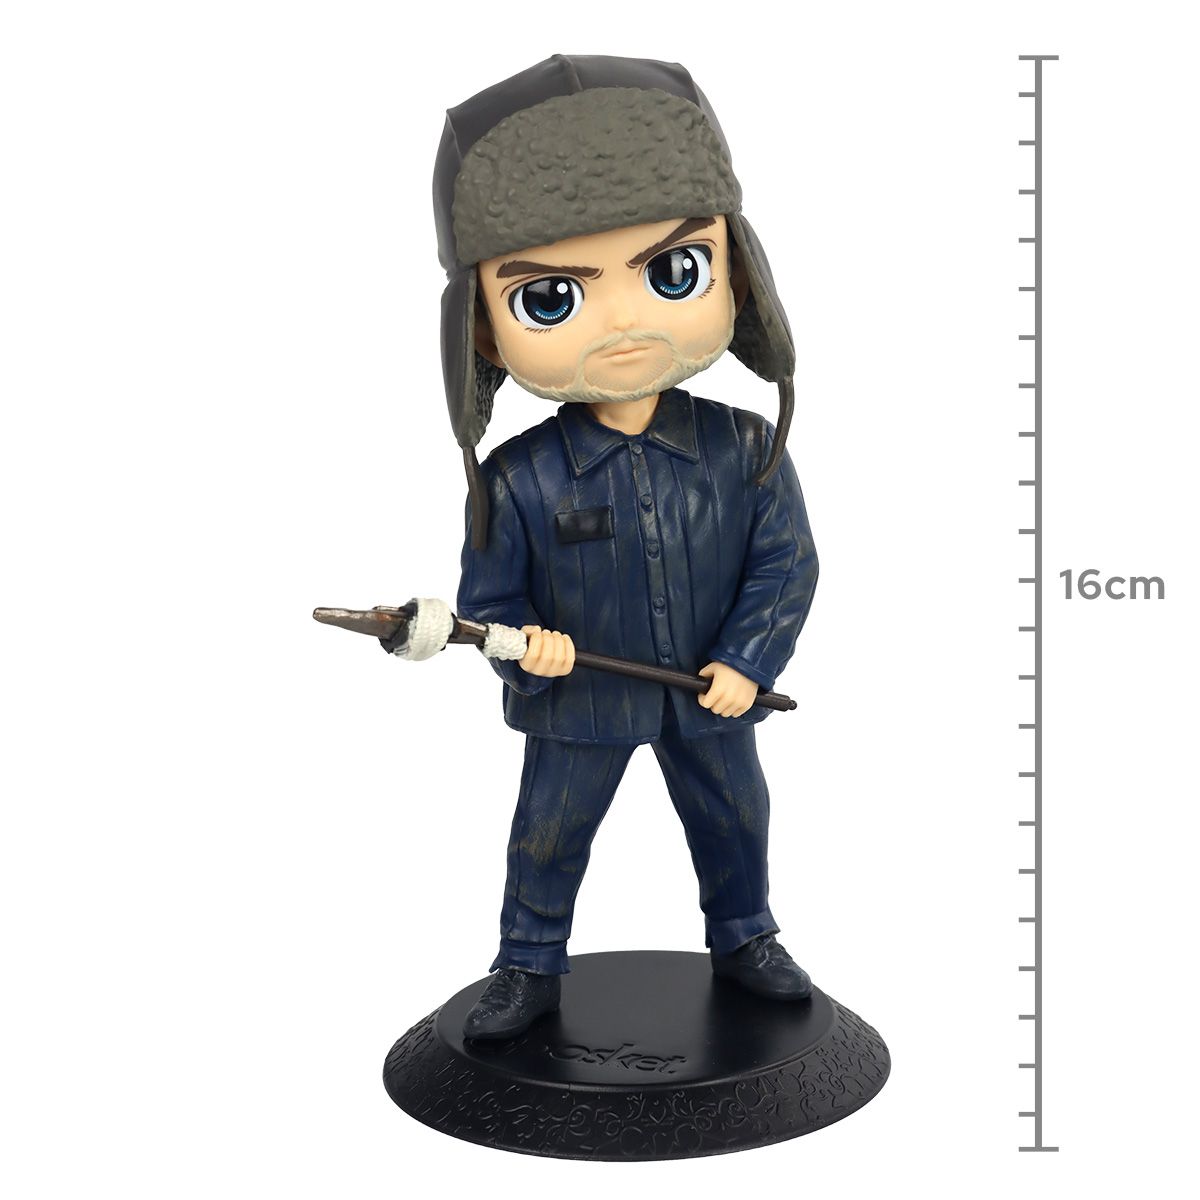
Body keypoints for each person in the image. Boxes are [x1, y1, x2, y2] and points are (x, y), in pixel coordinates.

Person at [434, 55, 820, 1040]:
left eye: (672, 271)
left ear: (739, 273)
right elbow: (488, 602)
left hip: (709, 693)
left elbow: (787, 563)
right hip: (581, 702)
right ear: (483, 333)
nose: (624, 321)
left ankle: (745, 935)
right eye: (551, 297)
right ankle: (527, 960)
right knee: (549, 832)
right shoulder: (519, 479)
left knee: (735, 818)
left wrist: (748, 659)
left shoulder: (745, 449)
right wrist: (521, 645)